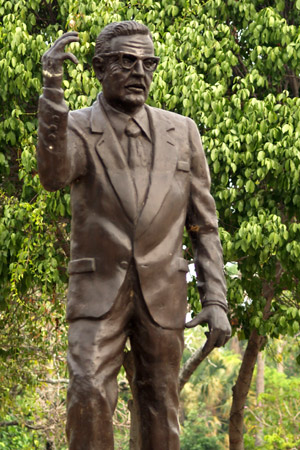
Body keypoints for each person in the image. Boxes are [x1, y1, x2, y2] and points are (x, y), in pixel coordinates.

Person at [37, 20, 231, 450]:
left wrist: (215, 298)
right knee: (86, 391)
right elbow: (52, 176)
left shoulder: (183, 132)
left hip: (163, 292)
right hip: (97, 292)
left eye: (148, 63)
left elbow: (204, 224)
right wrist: (52, 89)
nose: (139, 71)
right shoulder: (78, 126)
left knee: (161, 403)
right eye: (127, 61)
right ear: (99, 68)